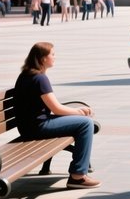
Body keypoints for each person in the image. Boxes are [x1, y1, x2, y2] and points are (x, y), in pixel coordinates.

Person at [13, 42, 100, 189]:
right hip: (37, 128)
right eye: (52, 54)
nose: (55, 57)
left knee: (82, 122)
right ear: (42, 59)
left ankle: (78, 173)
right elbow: (56, 109)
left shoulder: (27, 75)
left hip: (29, 126)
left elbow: (53, 107)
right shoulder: (40, 78)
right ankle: (77, 177)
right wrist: (79, 112)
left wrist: (77, 113)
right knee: (86, 124)